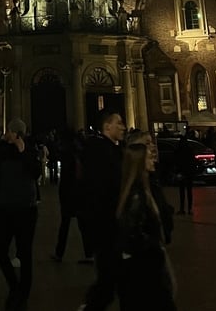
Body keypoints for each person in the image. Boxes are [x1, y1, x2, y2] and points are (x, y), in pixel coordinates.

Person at [116, 142, 177, 311]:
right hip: (143, 272)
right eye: (149, 157)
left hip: (147, 268)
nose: (153, 160)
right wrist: (155, 248)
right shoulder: (137, 196)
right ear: (140, 163)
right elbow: (133, 235)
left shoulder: (146, 189)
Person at [77, 109, 126, 311]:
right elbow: (100, 191)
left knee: (112, 279)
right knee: (109, 280)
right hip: (106, 225)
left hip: (110, 225)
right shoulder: (101, 153)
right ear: (107, 127)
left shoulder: (113, 151)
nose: (123, 127)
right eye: (118, 123)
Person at [0, 117, 41, 311]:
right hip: (4, 209)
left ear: (16, 133)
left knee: (25, 253)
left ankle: (22, 294)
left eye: (9, 131)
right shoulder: (2, 150)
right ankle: (14, 285)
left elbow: (36, 172)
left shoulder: (29, 150)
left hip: (25, 210)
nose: (6, 134)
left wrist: (23, 152)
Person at [51, 130, 93, 263]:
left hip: (69, 194)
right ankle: (89, 253)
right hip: (80, 193)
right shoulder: (81, 153)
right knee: (83, 225)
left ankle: (59, 253)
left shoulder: (67, 155)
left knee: (65, 224)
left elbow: (65, 178)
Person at [173, 135, 195, 217]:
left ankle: (182, 208)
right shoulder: (190, 149)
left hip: (181, 172)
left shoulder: (178, 150)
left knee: (182, 191)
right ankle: (190, 208)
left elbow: (175, 161)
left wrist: (177, 171)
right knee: (189, 191)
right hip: (189, 172)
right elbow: (192, 161)